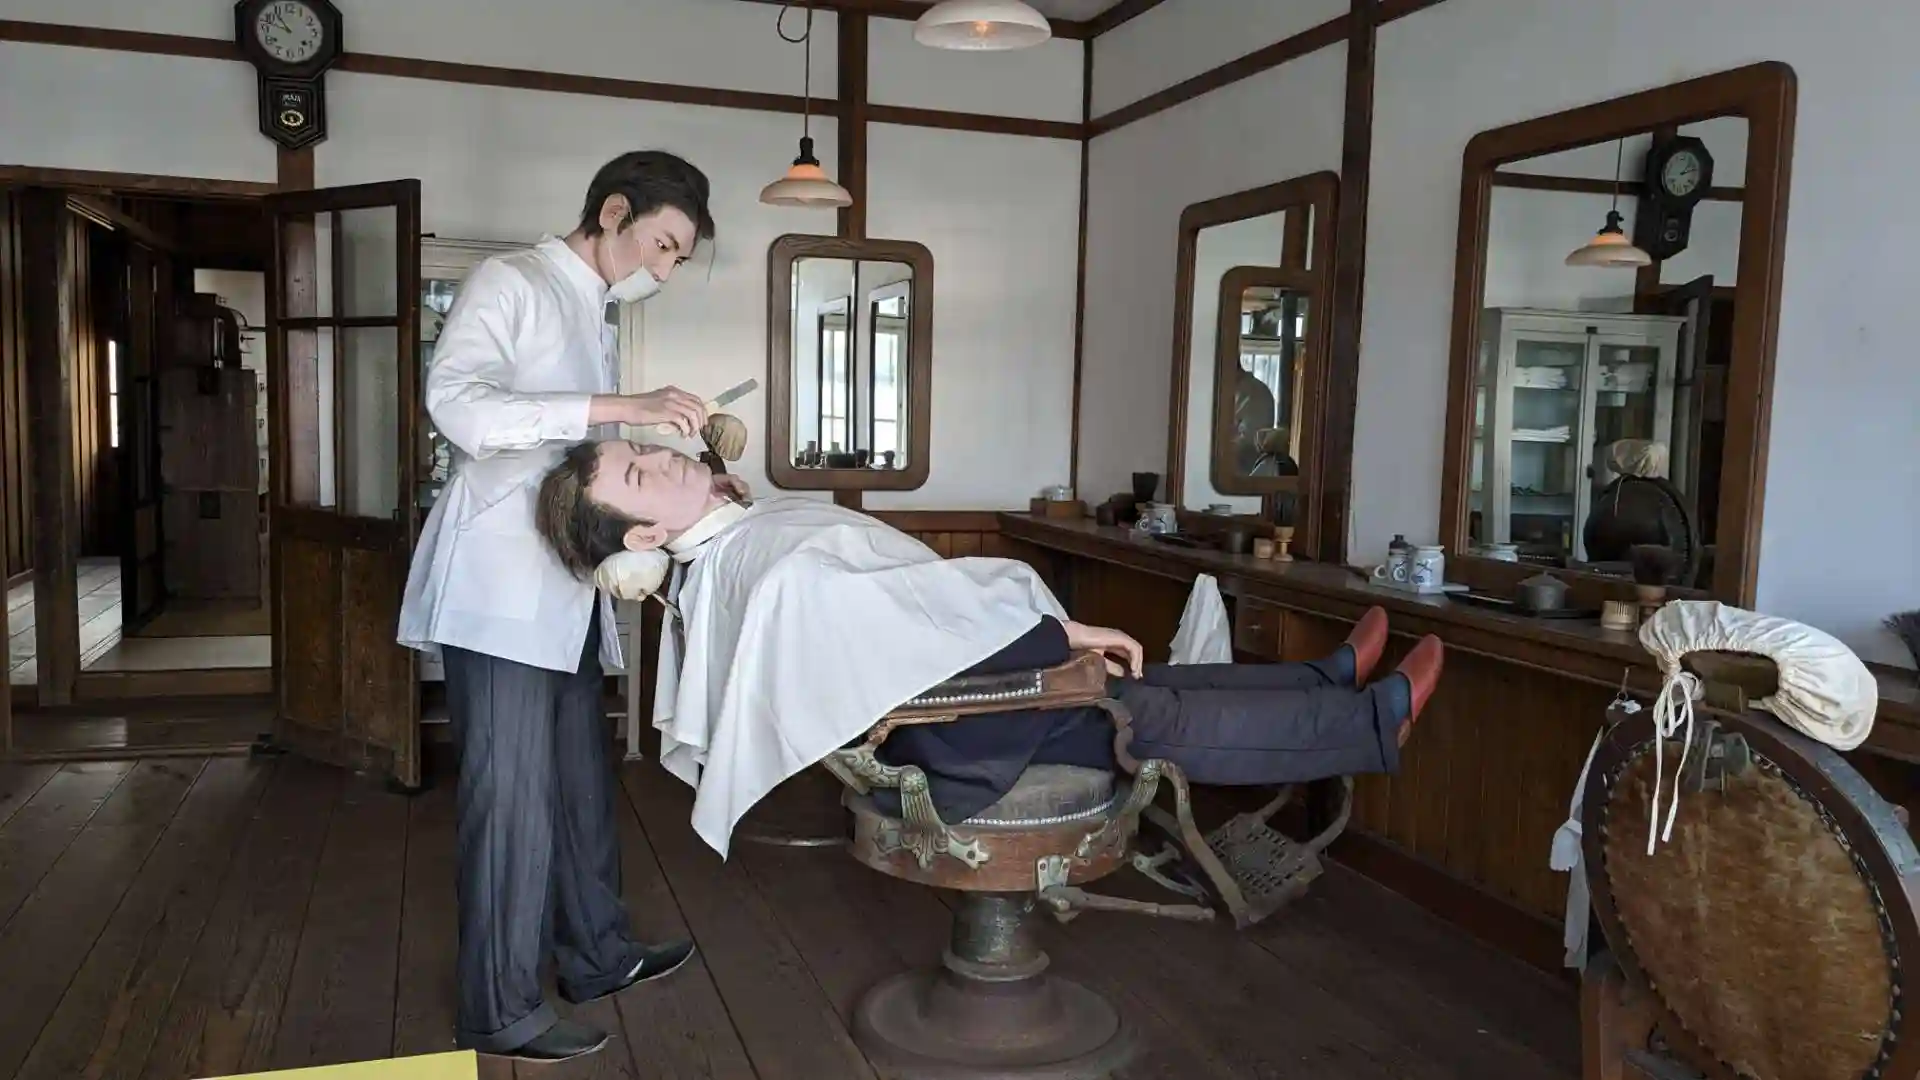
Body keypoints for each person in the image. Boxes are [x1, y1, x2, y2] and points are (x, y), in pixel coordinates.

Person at [531, 439, 1446, 853]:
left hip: (950, 694)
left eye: (643, 448)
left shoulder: (733, 546)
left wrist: (1052, 637)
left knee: (1146, 678)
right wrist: (1060, 633)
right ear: (644, 535)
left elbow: (906, 618)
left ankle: (1322, 677)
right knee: (1143, 711)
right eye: (640, 473)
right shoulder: (759, 567)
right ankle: (1370, 721)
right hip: (964, 727)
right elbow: (912, 627)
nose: (662, 457)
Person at [396, 152, 734, 1064]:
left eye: (678, 258)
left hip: (567, 586)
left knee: (583, 786)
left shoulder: (595, 310)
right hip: (502, 592)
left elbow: (591, 469)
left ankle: (597, 955)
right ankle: (497, 1007)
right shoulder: (510, 280)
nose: (666, 269)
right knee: (510, 802)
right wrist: (621, 405)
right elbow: (458, 407)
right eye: (663, 245)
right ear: (614, 211)